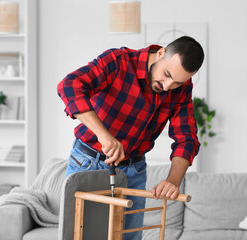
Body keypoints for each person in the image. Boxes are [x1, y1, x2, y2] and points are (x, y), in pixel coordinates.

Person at [57, 35, 204, 239]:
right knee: (83, 235)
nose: (168, 86)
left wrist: (173, 180)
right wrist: (104, 136)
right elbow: (69, 85)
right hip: (89, 162)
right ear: (160, 53)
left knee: (130, 236)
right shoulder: (119, 61)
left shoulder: (183, 88)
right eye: (167, 74)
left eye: (177, 82)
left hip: (134, 171)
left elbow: (186, 137)